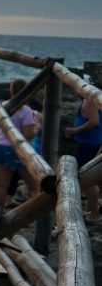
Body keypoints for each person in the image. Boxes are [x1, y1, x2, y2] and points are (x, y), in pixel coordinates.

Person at [0, 79, 39, 206]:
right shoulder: (25, 110)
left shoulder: (3, 106)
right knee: (34, 186)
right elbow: (29, 134)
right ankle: (40, 218)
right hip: (16, 148)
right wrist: (37, 127)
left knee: (1, 185)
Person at [64, 82, 102, 222]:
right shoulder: (94, 99)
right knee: (94, 177)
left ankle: (93, 214)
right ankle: (91, 209)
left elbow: (94, 121)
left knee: (87, 177)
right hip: (94, 141)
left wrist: (74, 131)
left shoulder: (89, 101)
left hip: (89, 143)